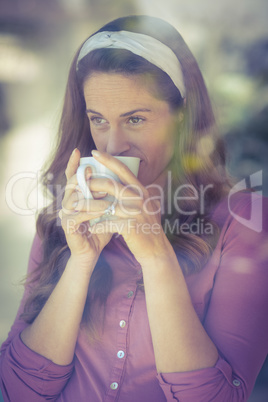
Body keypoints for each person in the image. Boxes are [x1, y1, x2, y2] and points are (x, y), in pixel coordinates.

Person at [0, 15, 267, 402]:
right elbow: (18, 390)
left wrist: (156, 254)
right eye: (98, 120)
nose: (112, 146)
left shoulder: (243, 222)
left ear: (182, 118)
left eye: (135, 119)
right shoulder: (66, 218)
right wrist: (80, 262)